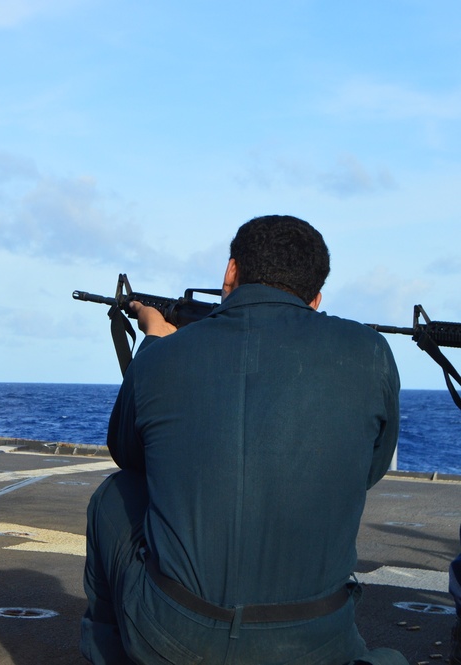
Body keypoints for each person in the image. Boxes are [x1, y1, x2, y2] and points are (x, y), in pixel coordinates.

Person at [81, 215, 405, 664]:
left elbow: (129, 455)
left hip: (172, 638)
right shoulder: (371, 352)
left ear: (231, 272)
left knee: (114, 495)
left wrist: (154, 342)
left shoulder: (163, 356)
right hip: (319, 640)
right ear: (316, 298)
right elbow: (367, 472)